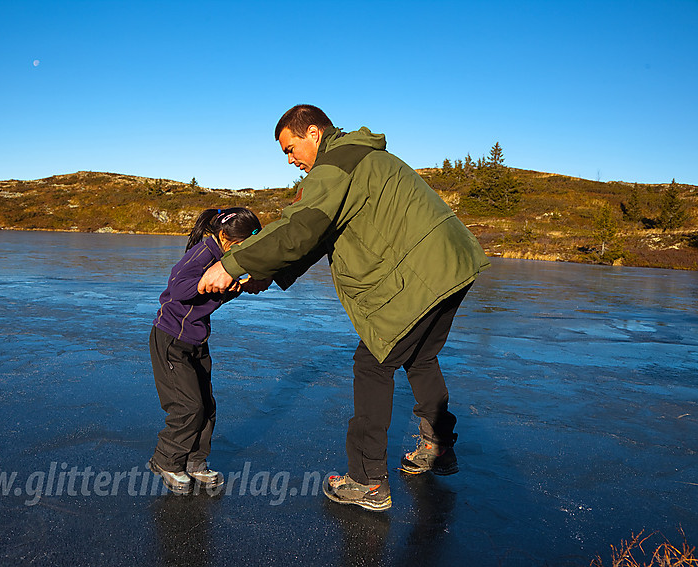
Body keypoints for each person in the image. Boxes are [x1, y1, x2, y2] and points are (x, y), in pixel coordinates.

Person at [197, 105, 490, 511]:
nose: (290, 160)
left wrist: (232, 262)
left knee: (373, 364)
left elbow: (301, 226)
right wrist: (272, 273)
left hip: (421, 272)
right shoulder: (360, 157)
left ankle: (367, 480)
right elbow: (321, 233)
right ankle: (437, 447)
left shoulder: (336, 164)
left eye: (290, 148)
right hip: (452, 263)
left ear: (313, 133)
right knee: (420, 356)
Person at [148, 207, 263, 495]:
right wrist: (205, 281)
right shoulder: (203, 254)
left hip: (196, 340)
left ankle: (195, 461)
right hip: (171, 338)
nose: (244, 251)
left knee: (207, 406)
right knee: (188, 406)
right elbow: (177, 287)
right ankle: (167, 461)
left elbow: (214, 297)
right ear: (225, 236)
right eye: (241, 246)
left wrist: (236, 285)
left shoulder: (225, 259)